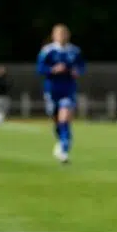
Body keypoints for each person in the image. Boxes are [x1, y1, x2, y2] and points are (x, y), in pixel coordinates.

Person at [36, 25, 85, 163]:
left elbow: (81, 66)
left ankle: (63, 150)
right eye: (59, 34)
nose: (62, 36)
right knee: (56, 119)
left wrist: (77, 71)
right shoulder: (48, 51)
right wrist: (52, 69)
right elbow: (40, 68)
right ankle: (60, 140)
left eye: (64, 34)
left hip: (68, 89)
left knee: (65, 118)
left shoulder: (74, 51)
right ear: (54, 36)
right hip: (52, 89)